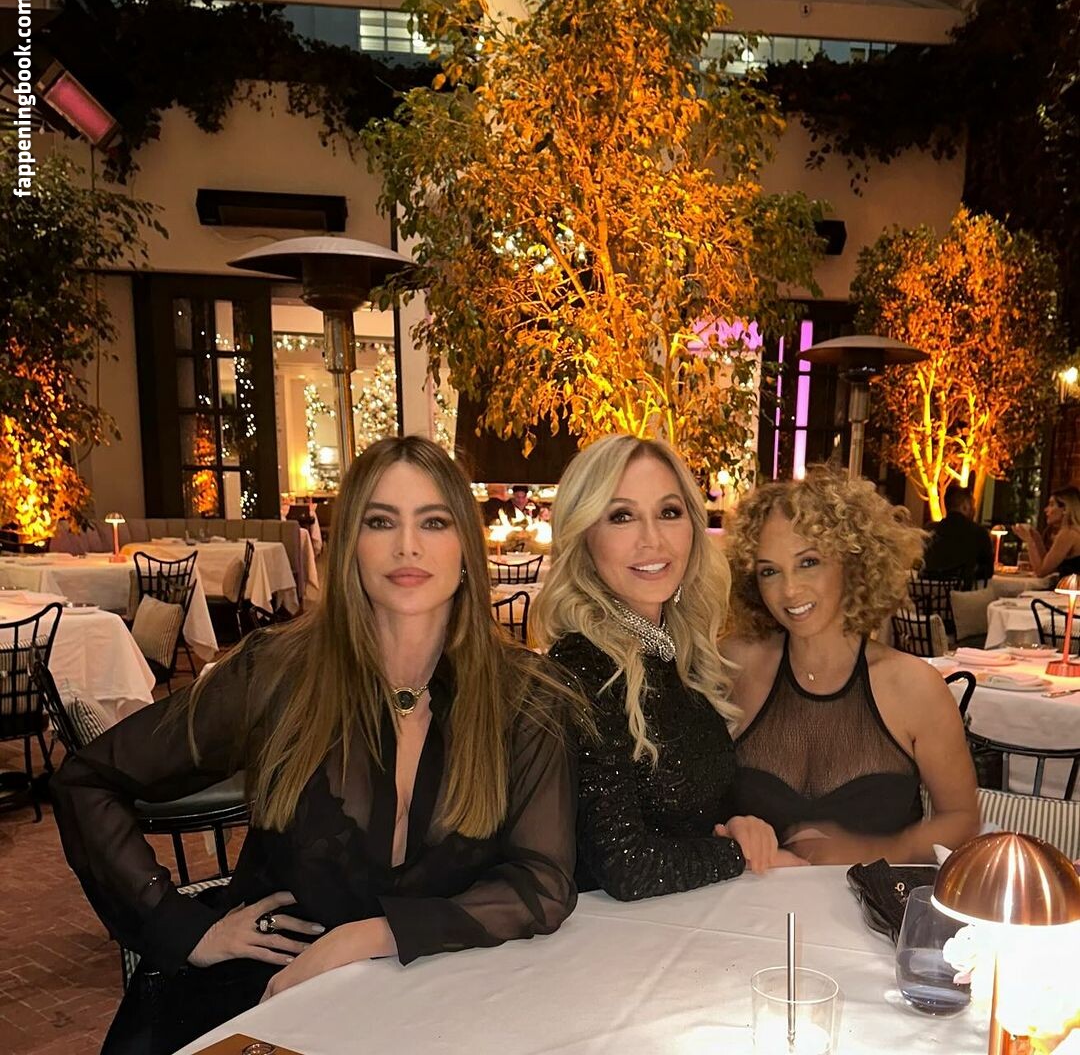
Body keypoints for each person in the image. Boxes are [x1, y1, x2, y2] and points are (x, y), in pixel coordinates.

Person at [52, 436, 584, 1054]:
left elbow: (541, 883)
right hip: (264, 992)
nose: (407, 546)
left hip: (436, 1003)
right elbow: (89, 780)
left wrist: (370, 936)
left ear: (466, 545)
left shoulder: (526, 696)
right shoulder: (277, 672)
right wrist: (183, 929)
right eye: (380, 521)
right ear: (350, 544)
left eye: (433, 522)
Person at [532, 435, 799, 903]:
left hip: (687, 917)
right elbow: (625, 866)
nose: (652, 539)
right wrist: (736, 855)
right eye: (621, 516)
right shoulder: (583, 665)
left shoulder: (676, 651)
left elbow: (692, 806)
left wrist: (737, 824)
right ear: (584, 536)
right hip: (614, 936)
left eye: (669, 512)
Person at [721, 466, 980, 865]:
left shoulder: (914, 686)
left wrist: (870, 852)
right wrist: (729, 830)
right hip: (746, 901)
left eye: (809, 562)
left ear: (853, 561)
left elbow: (962, 820)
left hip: (876, 903)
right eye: (769, 571)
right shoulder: (734, 665)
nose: (789, 589)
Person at [921, 483, 993, 584]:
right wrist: (970, 573)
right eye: (972, 505)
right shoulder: (978, 532)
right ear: (965, 506)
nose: (974, 509)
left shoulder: (929, 530)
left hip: (927, 590)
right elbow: (988, 571)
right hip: (961, 591)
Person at [1013, 486, 1080, 577]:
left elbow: (1041, 572)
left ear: (1065, 509)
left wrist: (1028, 540)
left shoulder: (1068, 534)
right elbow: (1046, 564)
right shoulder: (1071, 531)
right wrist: (1036, 537)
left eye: (1051, 505)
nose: (1046, 510)